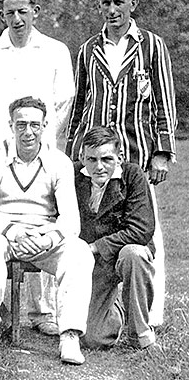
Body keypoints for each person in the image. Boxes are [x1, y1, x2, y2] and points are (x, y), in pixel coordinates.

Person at [66, 0, 176, 326]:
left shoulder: (152, 47)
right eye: (105, 3)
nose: (111, 10)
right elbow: (79, 104)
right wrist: (73, 154)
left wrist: (161, 151)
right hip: (96, 159)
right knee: (92, 232)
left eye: (118, 3)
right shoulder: (88, 49)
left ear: (133, 5)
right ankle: (97, 306)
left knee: (143, 236)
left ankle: (147, 315)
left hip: (136, 156)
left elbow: (164, 101)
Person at [0, 0, 76, 336]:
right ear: (1, 14)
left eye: (22, 11)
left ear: (36, 11)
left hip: (41, 152)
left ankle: (43, 311)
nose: (16, 18)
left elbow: (62, 106)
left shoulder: (56, 51)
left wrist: (45, 149)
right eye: (9, 12)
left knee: (44, 219)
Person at [0, 96, 94, 365]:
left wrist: (47, 238)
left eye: (35, 125)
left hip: (43, 237)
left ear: (45, 126)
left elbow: (71, 220)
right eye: (21, 124)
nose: (28, 132)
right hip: (5, 233)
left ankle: (69, 335)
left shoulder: (59, 162)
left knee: (79, 251)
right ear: (11, 125)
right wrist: (14, 233)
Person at [74, 126, 157, 350]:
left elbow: (141, 229)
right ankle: (117, 306)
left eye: (107, 159)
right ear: (82, 157)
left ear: (119, 157)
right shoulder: (74, 175)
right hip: (95, 262)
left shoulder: (132, 175)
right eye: (91, 159)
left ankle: (139, 335)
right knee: (94, 339)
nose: (99, 166)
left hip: (126, 252)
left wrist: (96, 246)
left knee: (135, 254)